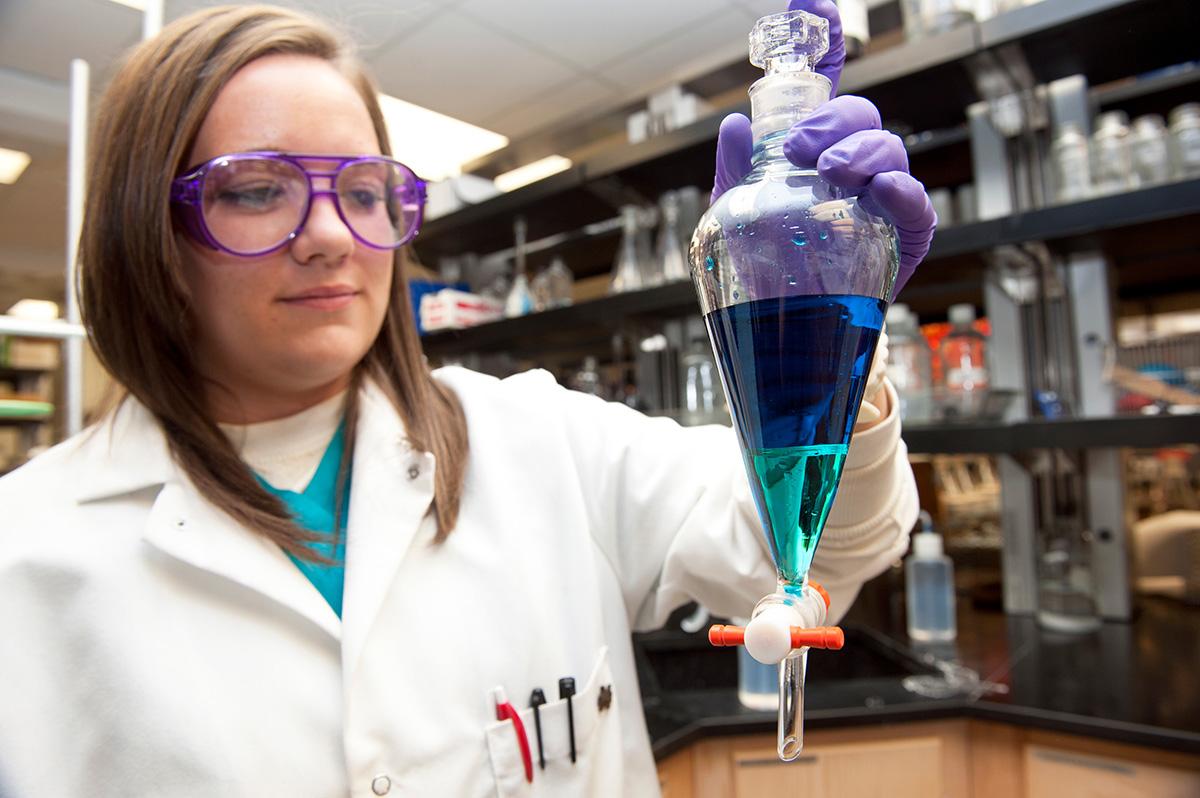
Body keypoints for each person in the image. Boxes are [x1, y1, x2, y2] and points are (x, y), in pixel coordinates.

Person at [0, 1, 935, 795]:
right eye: (255, 191)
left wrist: (815, 328)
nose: (331, 235)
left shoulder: (536, 437)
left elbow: (823, 552)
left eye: (365, 191)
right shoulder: (27, 558)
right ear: (144, 231)